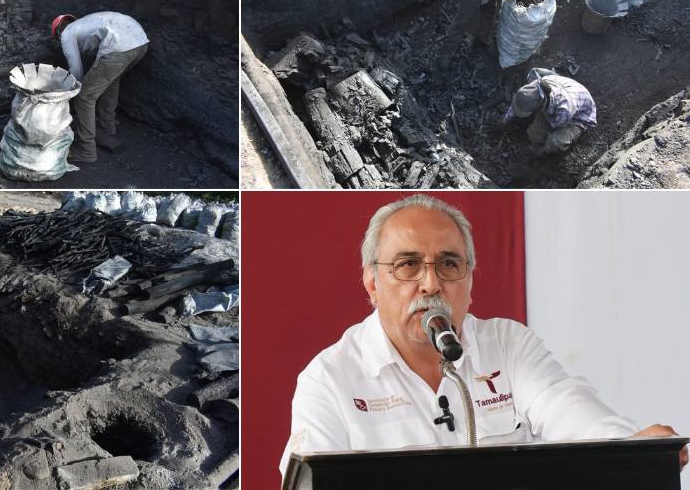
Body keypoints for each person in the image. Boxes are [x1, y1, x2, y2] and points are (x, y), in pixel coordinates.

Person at [279, 194, 687, 477]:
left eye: (449, 264)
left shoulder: (507, 346)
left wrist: (631, 449)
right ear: (371, 282)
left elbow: (572, 413)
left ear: (470, 281)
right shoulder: (329, 380)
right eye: (407, 265)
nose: (430, 284)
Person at [51, 12, 149, 163]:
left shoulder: (67, 34)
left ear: (58, 33)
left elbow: (76, 69)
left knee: (84, 97)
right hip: (140, 42)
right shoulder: (85, 23)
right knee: (110, 80)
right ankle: (108, 128)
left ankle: (86, 150)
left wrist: (70, 94)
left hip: (119, 47)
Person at [503, 68, 596, 156]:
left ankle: (540, 152)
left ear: (540, 107)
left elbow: (555, 125)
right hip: (566, 93)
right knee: (533, 134)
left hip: (579, 117)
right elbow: (518, 103)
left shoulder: (564, 110)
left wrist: (541, 141)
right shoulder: (535, 87)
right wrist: (504, 121)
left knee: (555, 141)